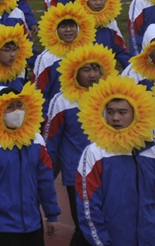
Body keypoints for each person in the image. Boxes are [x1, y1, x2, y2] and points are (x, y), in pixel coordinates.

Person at [0, 85, 60, 245]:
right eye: (9, 107)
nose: (16, 111)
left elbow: (45, 180)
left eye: (19, 105)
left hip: (32, 224)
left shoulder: (36, 139)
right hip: (0, 227)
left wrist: (51, 214)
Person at [76, 75, 155, 245]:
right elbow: (88, 208)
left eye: (122, 112)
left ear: (136, 114)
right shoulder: (95, 152)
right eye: (110, 112)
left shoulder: (152, 152)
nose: (115, 118)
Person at [44, 44, 115, 246]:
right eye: (86, 69)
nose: (93, 74)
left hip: (110, 173)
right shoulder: (62, 101)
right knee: (86, 229)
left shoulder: (113, 95)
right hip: (77, 177)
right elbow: (50, 144)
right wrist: (45, 181)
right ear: (75, 72)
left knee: (108, 225)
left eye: (96, 68)